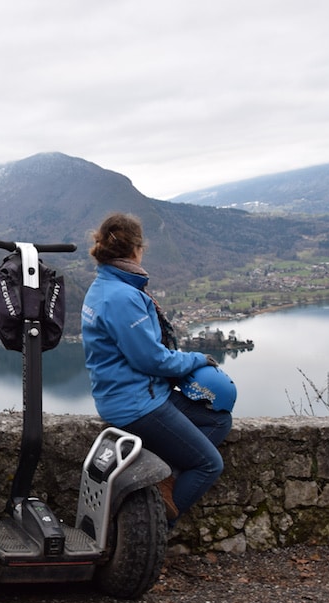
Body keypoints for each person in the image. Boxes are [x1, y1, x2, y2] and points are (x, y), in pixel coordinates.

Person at [80, 212, 232, 524]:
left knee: (218, 420)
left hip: (137, 394)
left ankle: (165, 478)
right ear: (137, 250)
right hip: (136, 405)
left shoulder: (104, 285)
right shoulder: (122, 297)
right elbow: (151, 359)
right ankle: (156, 530)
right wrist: (197, 359)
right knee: (209, 464)